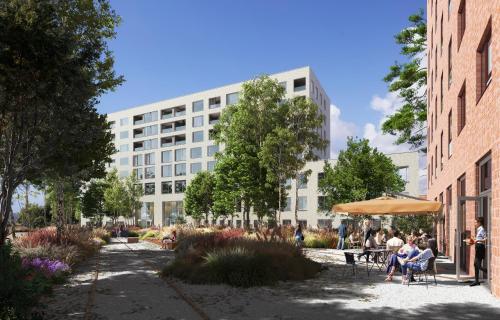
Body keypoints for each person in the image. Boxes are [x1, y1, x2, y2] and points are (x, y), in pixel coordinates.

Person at [470, 217, 487, 286]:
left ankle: (487, 271)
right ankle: (476, 281)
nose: (474, 224)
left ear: (479, 223)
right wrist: (473, 240)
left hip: (480, 248)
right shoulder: (479, 229)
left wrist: (477, 240)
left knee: (478, 265)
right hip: (478, 247)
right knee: (475, 264)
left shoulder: (482, 229)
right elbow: (479, 238)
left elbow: (486, 238)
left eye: (475, 222)